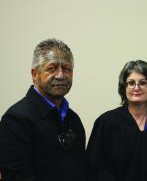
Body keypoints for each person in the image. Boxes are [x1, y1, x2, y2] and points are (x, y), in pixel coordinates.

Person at [86, 60, 147, 181]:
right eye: (131, 83)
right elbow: (95, 168)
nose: (137, 87)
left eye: (143, 83)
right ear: (124, 87)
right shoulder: (106, 123)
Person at [0, 38, 86, 181]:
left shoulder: (74, 120)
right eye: (51, 68)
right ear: (35, 74)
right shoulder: (15, 120)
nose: (60, 75)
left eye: (66, 68)